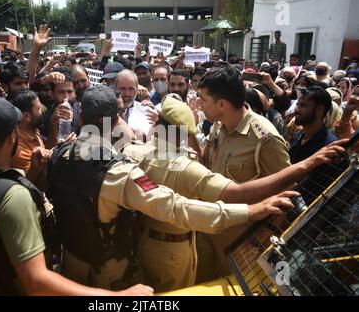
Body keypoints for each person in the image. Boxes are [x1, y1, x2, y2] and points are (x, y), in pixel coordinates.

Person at [47, 85, 299, 291]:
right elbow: (177, 208)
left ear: (80, 118)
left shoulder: (57, 155)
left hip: (70, 266)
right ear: (117, 119)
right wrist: (251, 211)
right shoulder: (119, 172)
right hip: (108, 277)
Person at [121, 94, 347, 292]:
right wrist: (306, 165)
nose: (201, 104)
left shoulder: (133, 150)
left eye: (204, 99)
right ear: (185, 133)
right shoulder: (185, 167)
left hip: (146, 243)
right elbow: (234, 192)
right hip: (177, 251)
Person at [0, 95, 152, 296]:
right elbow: (36, 281)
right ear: (14, 136)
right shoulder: (15, 198)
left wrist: (34, 172)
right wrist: (116, 296)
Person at [198, 65, 292, 281]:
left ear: (221, 104)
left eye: (203, 99)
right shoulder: (217, 127)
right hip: (210, 231)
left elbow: (288, 194)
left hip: (242, 245)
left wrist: (259, 239)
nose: (199, 104)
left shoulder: (265, 138)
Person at [289, 86, 338, 164]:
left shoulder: (330, 147)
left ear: (320, 109)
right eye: (297, 105)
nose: (296, 110)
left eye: (303, 105)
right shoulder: (297, 137)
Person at [10, 90, 46, 173]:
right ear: (26, 116)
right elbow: (34, 178)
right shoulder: (18, 149)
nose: (43, 111)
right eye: (39, 108)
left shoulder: (33, 129)